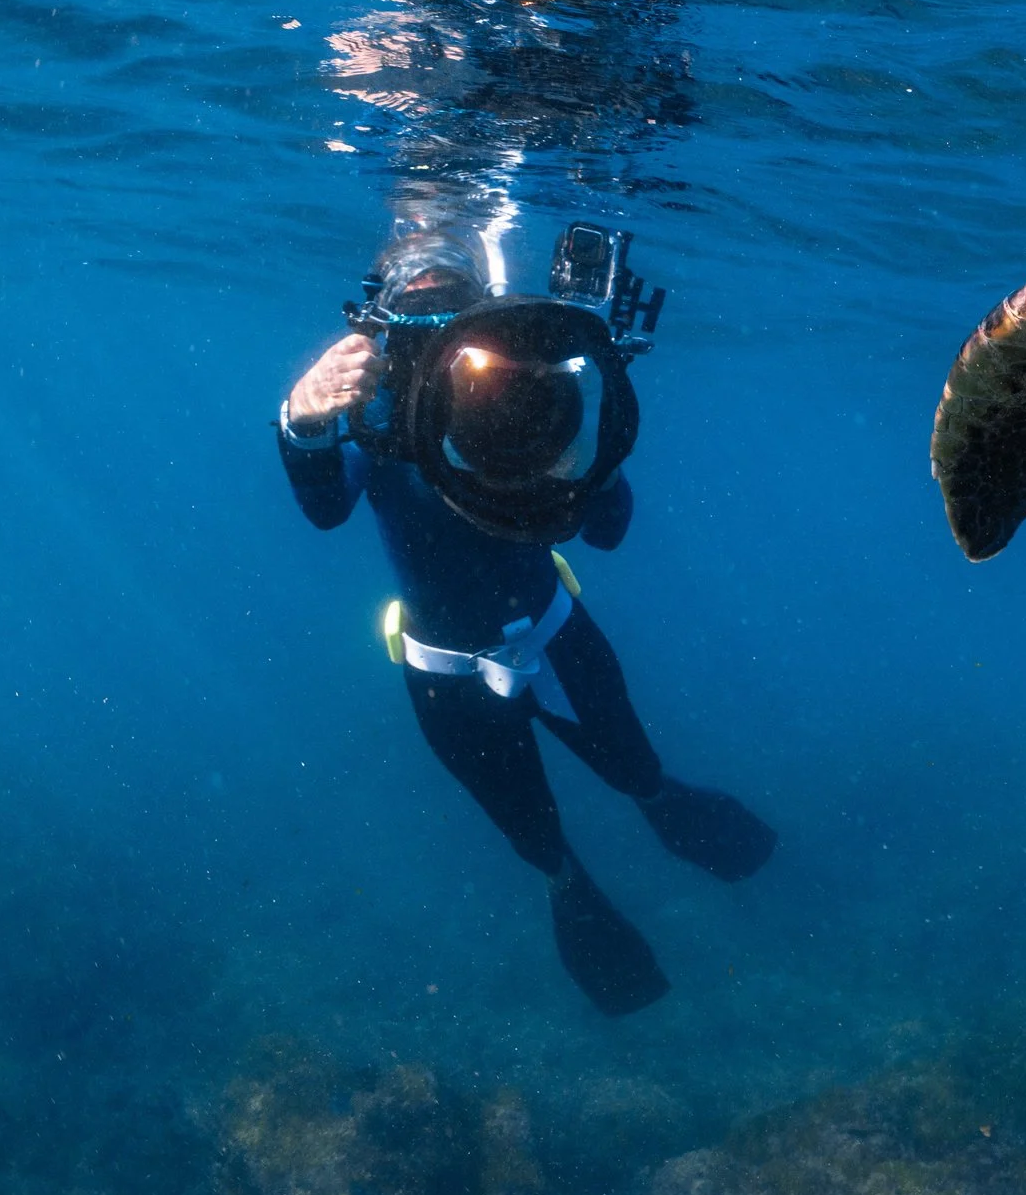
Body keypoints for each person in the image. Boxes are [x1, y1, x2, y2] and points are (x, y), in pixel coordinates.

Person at [277, 228, 774, 1015]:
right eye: (417, 316)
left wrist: (575, 419)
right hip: (450, 668)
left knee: (639, 770)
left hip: (552, 636)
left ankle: (660, 810)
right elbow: (329, 504)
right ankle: (576, 886)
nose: (439, 340)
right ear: (382, 323)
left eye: (455, 314)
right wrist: (304, 420)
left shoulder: (531, 386)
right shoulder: (382, 409)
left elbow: (606, 527)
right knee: (537, 840)